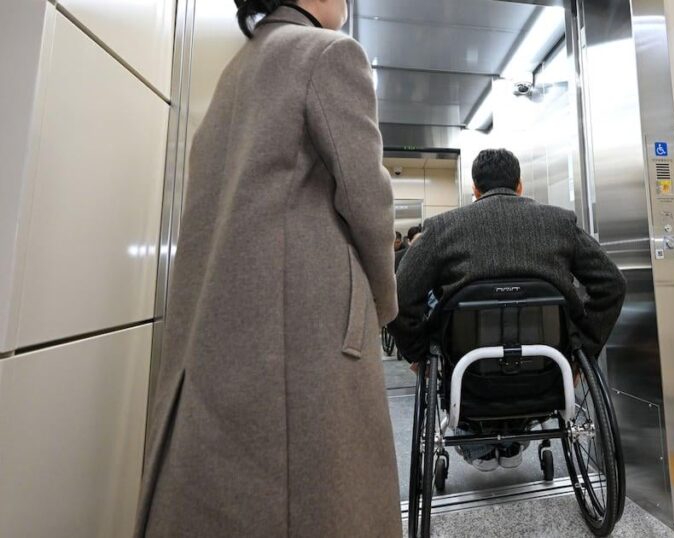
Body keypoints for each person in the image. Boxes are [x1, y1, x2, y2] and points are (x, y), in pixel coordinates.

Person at [135, 1, 401, 537]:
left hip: (224, 339)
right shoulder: (328, 54)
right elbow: (368, 201)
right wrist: (381, 306)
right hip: (302, 341)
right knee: (318, 502)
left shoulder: (236, 72)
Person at [389, 148, 626, 471]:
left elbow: (398, 297)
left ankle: (479, 446)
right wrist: (582, 350)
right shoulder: (559, 223)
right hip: (547, 367)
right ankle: (516, 438)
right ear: (519, 186)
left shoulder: (441, 229)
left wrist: (418, 353)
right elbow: (612, 284)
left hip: (468, 374)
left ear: (475, 189)